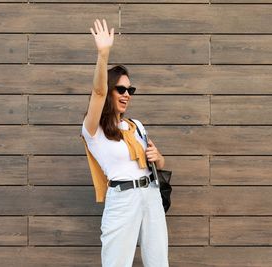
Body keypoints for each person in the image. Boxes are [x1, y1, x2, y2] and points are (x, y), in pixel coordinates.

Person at [81, 18, 169, 267]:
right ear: (109, 91)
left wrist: (158, 157)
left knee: (158, 261)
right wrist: (103, 54)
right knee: (116, 262)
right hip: (122, 198)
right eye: (121, 89)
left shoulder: (136, 126)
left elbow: (159, 163)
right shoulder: (93, 128)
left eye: (130, 90)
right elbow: (97, 93)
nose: (127, 95)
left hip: (150, 194)